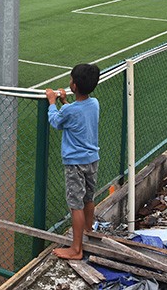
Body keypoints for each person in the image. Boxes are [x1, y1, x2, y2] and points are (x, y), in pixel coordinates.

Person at [45, 63, 100, 260]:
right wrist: (65, 101)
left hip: (75, 162)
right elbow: (76, 113)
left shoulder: (70, 111)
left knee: (75, 204)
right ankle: (88, 229)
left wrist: (53, 103)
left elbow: (57, 121)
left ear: (74, 85)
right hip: (92, 159)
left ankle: (76, 249)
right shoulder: (94, 104)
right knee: (89, 198)